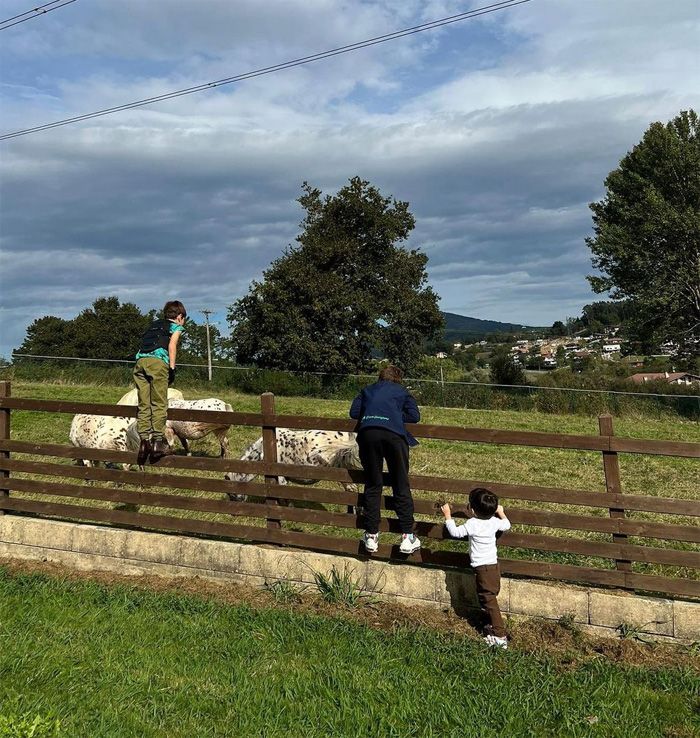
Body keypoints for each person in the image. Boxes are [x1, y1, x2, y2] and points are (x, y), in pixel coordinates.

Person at [349, 364, 421, 555]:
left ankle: (371, 535)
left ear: (380, 378)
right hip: (393, 437)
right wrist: (395, 416)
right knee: (400, 483)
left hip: (368, 435)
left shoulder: (368, 390)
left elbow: (354, 413)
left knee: (373, 484)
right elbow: (415, 416)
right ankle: (407, 535)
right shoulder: (402, 391)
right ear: (398, 378)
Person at [441, 489, 511, 648]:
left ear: (472, 509)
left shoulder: (472, 524)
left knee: (489, 601)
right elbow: (506, 525)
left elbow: (455, 532)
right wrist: (501, 512)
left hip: (482, 569)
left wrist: (447, 515)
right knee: (488, 599)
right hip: (493, 567)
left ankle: (500, 637)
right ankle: (491, 628)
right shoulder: (494, 522)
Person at [133, 300, 186, 464]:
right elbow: (172, 346)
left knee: (144, 403)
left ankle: (143, 443)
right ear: (179, 316)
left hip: (140, 363)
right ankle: (157, 443)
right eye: (183, 319)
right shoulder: (175, 327)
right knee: (159, 403)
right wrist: (172, 368)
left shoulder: (153, 325)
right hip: (158, 363)